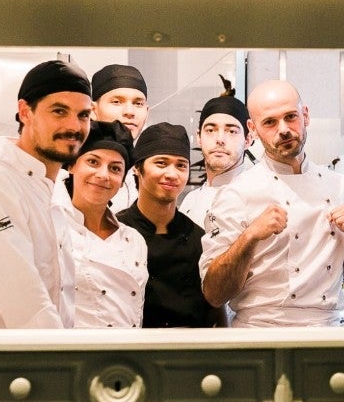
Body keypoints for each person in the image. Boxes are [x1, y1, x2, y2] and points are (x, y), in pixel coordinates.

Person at [199, 79, 344, 327]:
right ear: (253, 129)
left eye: (290, 117)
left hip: (327, 330)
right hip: (260, 330)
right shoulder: (236, 193)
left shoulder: (338, 186)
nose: (283, 129)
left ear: (306, 116)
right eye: (269, 122)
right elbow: (214, 293)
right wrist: (249, 237)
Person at [0, 59, 92, 328]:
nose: (74, 126)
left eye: (83, 115)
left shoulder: (55, 188)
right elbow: (26, 303)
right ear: (25, 112)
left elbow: (60, 295)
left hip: (37, 356)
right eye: (59, 111)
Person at [116, 123, 218, 328]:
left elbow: (213, 312)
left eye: (181, 165)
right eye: (161, 163)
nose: (172, 174)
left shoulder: (198, 238)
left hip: (189, 351)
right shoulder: (116, 231)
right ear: (137, 168)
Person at [56, 120, 147, 328]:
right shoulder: (53, 229)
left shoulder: (134, 240)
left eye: (115, 169)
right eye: (93, 162)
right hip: (78, 354)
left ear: (122, 180)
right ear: (71, 165)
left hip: (129, 353)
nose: (103, 175)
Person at [179, 87, 253, 228]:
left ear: (248, 140)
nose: (220, 139)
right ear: (199, 137)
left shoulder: (259, 197)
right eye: (210, 130)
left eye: (231, 131)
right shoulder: (190, 200)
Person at [90, 63, 149, 211]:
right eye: (117, 102)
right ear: (92, 110)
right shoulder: (70, 171)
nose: (129, 111)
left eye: (138, 103)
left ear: (147, 113)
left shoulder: (148, 175)